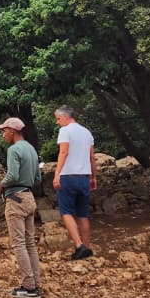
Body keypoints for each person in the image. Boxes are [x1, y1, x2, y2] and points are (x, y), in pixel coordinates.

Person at [0, 116, 42, 298]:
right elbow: (38, 177)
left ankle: (29, 287)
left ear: (12, 131)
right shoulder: (31, 148)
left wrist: (1, 184)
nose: (3, 134)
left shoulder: (14, 149)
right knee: (30, 242)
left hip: (15, 198)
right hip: (29, 196)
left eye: (4, 130)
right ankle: (35, 283)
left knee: (19, 243)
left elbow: (13, 175)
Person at [53, 105, 97, 259]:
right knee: (82, 214)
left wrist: (57, 174)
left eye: (58, 119)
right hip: (84, 177)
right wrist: (93, 177)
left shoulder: (65, 131)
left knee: (66, 212)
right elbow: (92, 157)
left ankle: (79, 246)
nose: (58, 122)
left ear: (66, 117)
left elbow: (63, 152)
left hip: (68, 176)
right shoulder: (86, 132)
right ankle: (87, 247)